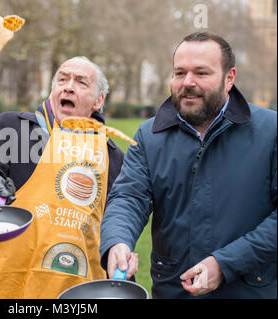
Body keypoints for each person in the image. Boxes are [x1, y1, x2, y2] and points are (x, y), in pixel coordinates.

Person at [100, 32, 277, 299]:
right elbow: (128, 197)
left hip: (250, 290)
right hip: (173, 290)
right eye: (179, 73)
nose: (188, 82)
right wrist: (117, 241)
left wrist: (225, 264)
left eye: (201, 73)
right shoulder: (149, 136)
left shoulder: (271, 131)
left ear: (229, 78)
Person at [0, 56, 133, 299]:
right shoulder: (15, 129)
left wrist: (125, 266)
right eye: (62, 79)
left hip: (75, 292)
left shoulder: (112, 157)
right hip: (3, 285)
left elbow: (117, 228)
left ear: (98, 100)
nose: (68, 86)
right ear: (53, 90)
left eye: (81, 82)